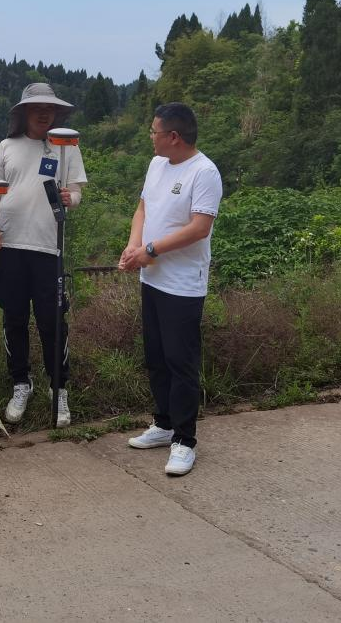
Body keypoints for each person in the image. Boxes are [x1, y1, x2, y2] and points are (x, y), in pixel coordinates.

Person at [119, 102, 222, 477]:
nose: (151, 137)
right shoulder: (157, 164)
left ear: (174, 136)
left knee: (181, 362)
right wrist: (134, 246)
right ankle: (163, 424)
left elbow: (199, 228)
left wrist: (150, 250)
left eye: (154, 131)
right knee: (157, 356)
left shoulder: (204, 172)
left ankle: (184, 440)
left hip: (183, 285)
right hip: (152, 279)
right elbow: (143, 208)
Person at [0, 82, 88, 427]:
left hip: (48, 246)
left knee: (52, 321)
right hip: (9, 245)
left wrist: (69, 197)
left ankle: (58, 387)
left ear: (56, 113)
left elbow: (76, 193)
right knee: (13, 318)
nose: (44, 113)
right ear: (24, 112)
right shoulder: (7, 146)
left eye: (50, 108)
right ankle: (21, 383)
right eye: (37, 108)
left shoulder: (66, 147)